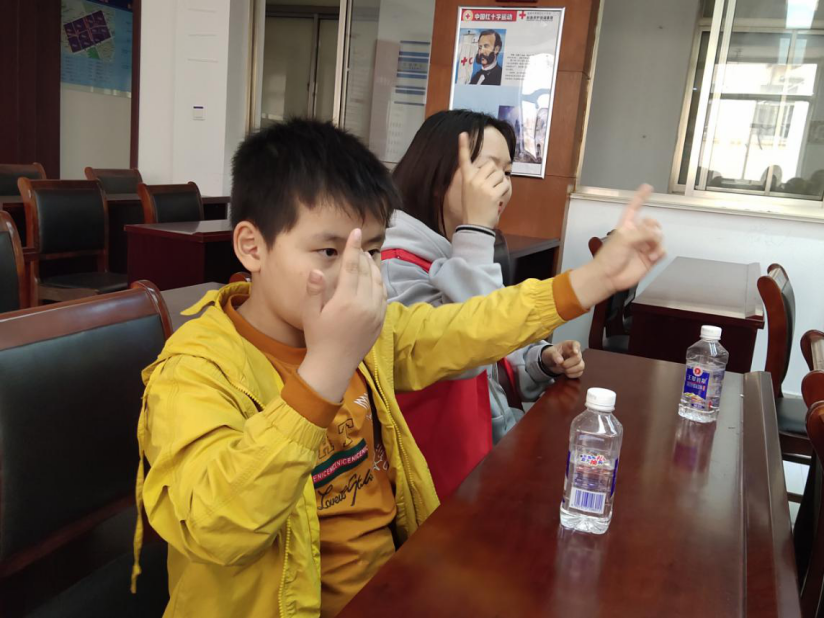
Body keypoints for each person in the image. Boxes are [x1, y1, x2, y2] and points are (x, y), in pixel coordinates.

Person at [131, 118, 664, 618]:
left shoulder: (371, 333)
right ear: (253, 246)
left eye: (371, 252)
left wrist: (590, 281)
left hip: (399, 584)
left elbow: (466, 327)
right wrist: (327, 368)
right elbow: (217, 528)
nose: (356, 276)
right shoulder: (194, 370)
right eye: (328, 251)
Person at [383, 110, 582, 476]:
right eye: (488, 170)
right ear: (437, 174)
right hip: (439, 479)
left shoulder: (457, 249)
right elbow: (468, 349)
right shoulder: (392, 266)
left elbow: (493, 361)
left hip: (486, 456)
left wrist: (540, 361)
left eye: (507, 172)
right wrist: (475, 231)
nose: (503, 186)